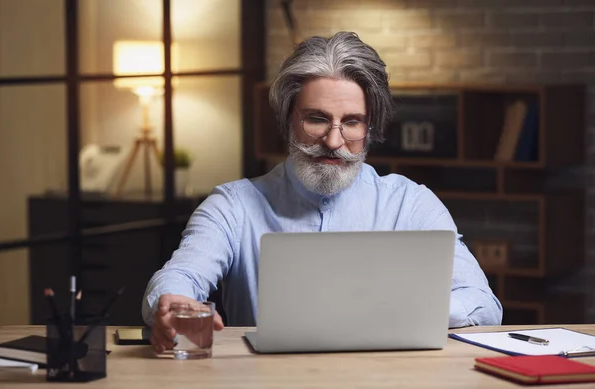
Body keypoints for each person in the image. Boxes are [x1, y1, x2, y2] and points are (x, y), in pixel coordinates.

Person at [142, 31, 503, 353]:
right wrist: (172, 306)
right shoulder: (232, 205)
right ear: (288, 120)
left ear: (369, 126)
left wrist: (395, 313)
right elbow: (180, 277)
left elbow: (483, 305)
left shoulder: (411, 203)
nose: (333, 141)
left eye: (351, 122)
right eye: (316, 119)